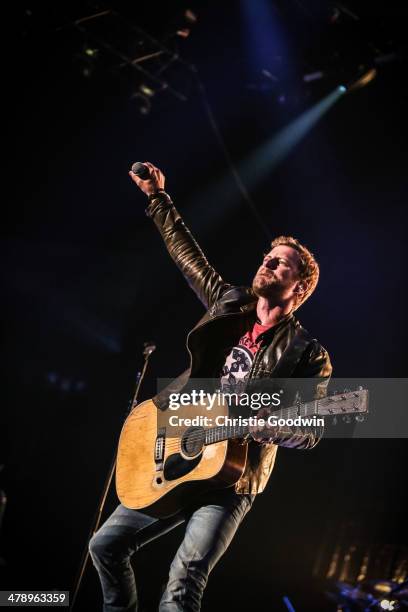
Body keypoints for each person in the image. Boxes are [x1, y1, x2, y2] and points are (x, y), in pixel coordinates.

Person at [89, 161, 332, 611]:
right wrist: (157, 197)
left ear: (299, 290)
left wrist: (269, 426)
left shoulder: (307, 354)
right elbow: (188, 257)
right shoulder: (229, 303)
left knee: (183, 582)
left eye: (281, 265)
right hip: (178, 450)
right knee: (104, 545)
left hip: (232, 479)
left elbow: (311, 430)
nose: (268, 262)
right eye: (267, 257)